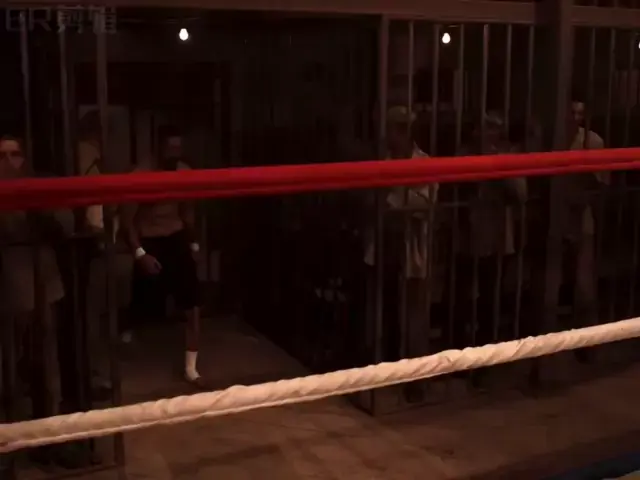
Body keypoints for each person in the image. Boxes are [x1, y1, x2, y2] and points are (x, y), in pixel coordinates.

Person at [121, 126, 204, 387]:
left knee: (192, 303)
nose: (175, 154)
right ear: (158, 148)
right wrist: (140, 254)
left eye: (179, 148)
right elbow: (127, 221)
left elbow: (188, 211)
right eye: (170, 148)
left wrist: (193, 244)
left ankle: (191, 368)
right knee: (143, 303)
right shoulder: (140, 175)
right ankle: (127, 330)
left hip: (176, 235)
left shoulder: (184, 173)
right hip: (150, 239)